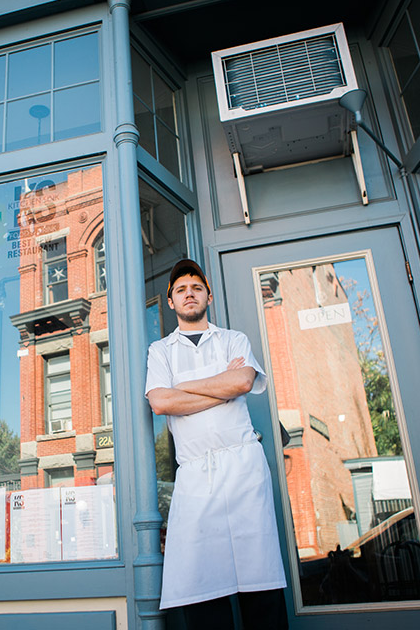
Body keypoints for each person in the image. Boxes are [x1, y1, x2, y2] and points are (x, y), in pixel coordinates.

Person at [145, 259, 288, 630]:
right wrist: (219, 386)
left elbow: (242, 382)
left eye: (195, 287)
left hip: (243, 469)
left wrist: (185, 388)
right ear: (171, 302)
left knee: (260, 584)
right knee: (204, 587)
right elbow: (160, 402)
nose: (189, 294)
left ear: (208, 294)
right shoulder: (160, 350)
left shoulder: (233, 340)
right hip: (195, 475)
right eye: (181, 290)